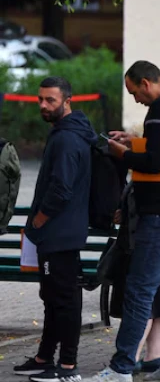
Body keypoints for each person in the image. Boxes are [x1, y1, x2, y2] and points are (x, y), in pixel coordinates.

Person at [88, 61, 160, 382]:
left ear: (147, 82)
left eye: (134, 91)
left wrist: (118, 151)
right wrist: (133, 141)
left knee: (139, 291)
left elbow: (155, 162)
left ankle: (121, 367)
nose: (136, 98)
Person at [13, 77, 97, 382]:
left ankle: (67, 366)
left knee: (64, 300)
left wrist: (40, 219)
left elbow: (60, 188)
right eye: (40, 100)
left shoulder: (66, 138)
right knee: (53, 298)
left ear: (67, 101)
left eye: (50, 100)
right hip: (61, 233)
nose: (44, 105)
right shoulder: (68, 133)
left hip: (59, 233)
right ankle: (44, 358)